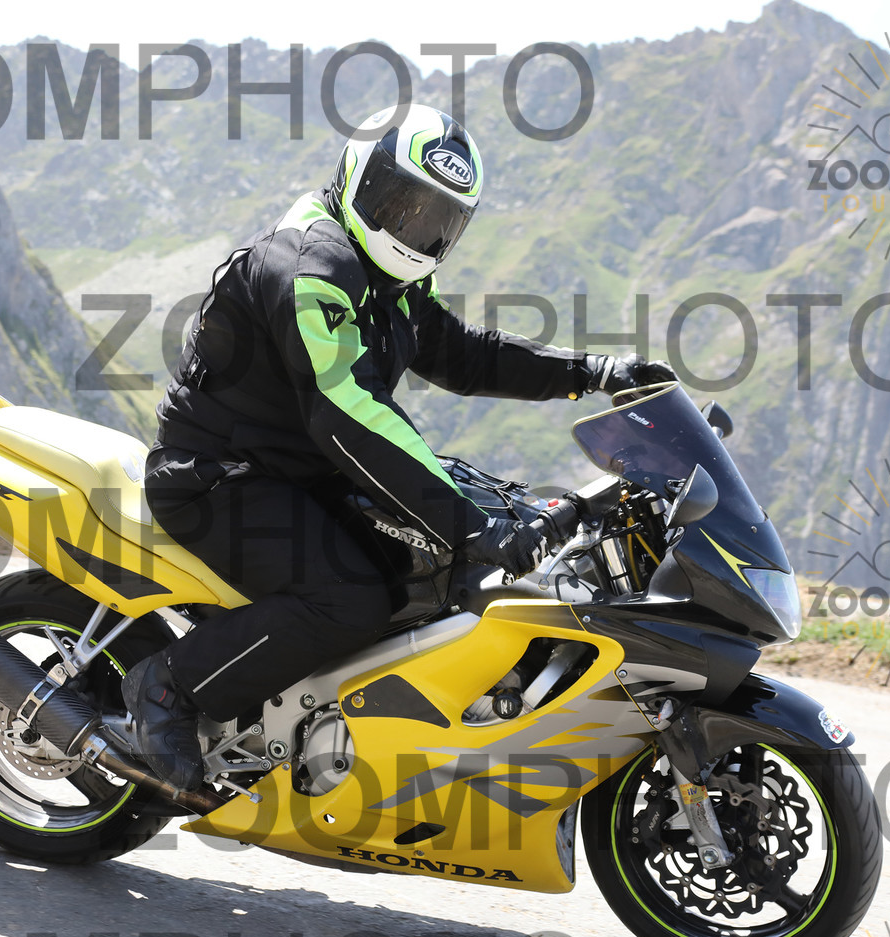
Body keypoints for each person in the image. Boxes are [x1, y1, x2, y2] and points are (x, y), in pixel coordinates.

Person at [121, 103, 673, 790]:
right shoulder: (311, 268)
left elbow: (465, 354)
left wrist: (592, 372)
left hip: (301, 472)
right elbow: (348, 412)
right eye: (403, 204)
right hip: (218, 476)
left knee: (433, 570)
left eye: (437, 218)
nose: (415, 228)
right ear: (358, 177)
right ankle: (169, 685)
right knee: (348, 598)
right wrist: (474, 527)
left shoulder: (392, 279)